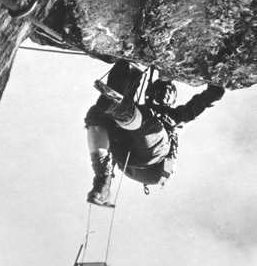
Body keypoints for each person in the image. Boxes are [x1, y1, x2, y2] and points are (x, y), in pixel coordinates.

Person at [85, 59, 225, 206]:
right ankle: (102, 181)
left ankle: (117, 109)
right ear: (150, 94)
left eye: (169, 91)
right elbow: (128, 92)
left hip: (153, 168)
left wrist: (217, 86)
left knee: (145, 121)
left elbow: (204, 102)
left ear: (172, 100)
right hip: (128, 159)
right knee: (97, 114)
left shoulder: (177, 116)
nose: (165, 93)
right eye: (159, 90)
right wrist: (131, 67)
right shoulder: (141, 109)